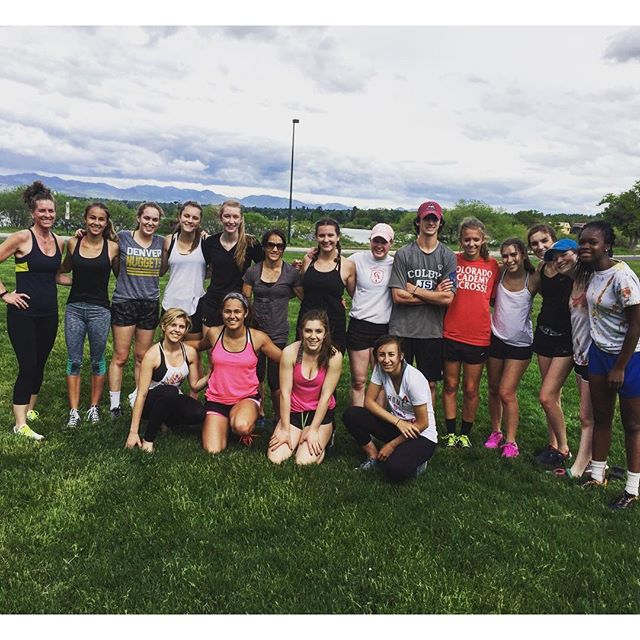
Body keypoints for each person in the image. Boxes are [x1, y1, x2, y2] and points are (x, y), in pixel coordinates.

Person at [578, 221, 640, 509]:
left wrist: (621, 366)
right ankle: (598, 474)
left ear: (607, 245)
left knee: (633, 424)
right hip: (599, 353)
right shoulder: (591, 272)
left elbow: (637, 323)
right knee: (602, 417)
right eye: (583, 242)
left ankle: (632, 488)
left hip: (629, 357)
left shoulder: (622, 277)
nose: (586, 246)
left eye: (593, 242)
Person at [0, 180, 67, 440]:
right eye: (42, 211)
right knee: (27, 364)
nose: (48, 215)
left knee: (40, 363)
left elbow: (57, 276)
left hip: (48, 313)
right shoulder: (21, 238)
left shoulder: (58, 241)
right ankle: (20, 424)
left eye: (51, 211)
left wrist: (89, 279)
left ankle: (29, 410)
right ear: (33, 213)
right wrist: (5, 294)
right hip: (23, 314)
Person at [388, 200, 456, 405]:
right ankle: (398, 425)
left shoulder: (448, 256)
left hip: (431, 331)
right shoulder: (404, 254)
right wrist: (433, 294)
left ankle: (427, 429)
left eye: (434, 219)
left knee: (430, 384)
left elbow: (447, 298)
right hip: (402, 329)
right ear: (418, 222)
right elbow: (398, 296)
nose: (430, 222)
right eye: (426, 218)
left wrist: (416, 290)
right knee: (398, 382)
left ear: (440, 223)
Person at [342, 335, 438, 481]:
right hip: (399, 427)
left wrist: (392, 445)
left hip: (422, 435)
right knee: (351, 414)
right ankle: (373, 456)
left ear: (401, 356)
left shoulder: (413, 379)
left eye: (391, 354)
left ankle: (419, 461)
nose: (386, 360)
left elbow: (423, 423)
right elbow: (369, 401)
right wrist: (398, 422)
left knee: (395, 470)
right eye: (381, 355)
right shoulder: (380, 369)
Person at [197, 292, 282, 454]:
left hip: (246, 397)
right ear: (222, 312)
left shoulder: (257, 338)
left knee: (242, 427)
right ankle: (225, 421)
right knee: (212, 449)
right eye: (227, 311)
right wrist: (174, 343)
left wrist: (310, 356)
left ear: (245, 313)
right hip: (217, 399)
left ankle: (242, 421)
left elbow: (284, 359)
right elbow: (198, 346)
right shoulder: (214, 333)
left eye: (237, 311)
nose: (232, 316)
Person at [59, 203, 119, 428]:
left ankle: (93, 407)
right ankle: (74, 410)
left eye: (101, 219)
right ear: (85, 219)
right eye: (92, 218)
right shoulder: (73, 243)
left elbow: (122, 276)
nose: (96, 222)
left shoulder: (112, 248)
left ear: (106, 223)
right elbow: (63, 269)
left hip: (100, 310)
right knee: (74, 360)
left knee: (97, 359)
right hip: (74, 308)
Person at [441, 217, 500, 447]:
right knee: (450, 385)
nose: (471, 244)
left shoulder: (492, 265)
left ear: (483, 239)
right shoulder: (451, 261)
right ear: (460, 240)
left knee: (471, 388)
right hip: (451, 332)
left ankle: (465, 433)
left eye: (476, 239)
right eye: (467, 239)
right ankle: (451, 432)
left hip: (478, 336)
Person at [108, 202, 165, 418]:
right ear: (139, 218)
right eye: (146, 218)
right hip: (125, 301)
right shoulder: (123, 237)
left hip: (149, 303)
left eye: (155, 219)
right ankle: (115, 405)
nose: (150, 223)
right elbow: (109, 255)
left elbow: (164, 268)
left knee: (142, 356)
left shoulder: (161, 242)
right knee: (121, 356)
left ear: (159, 222)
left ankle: (139, 399)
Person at [485, 238, 539, 458]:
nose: (509, 260)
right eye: (505, 255)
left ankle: (511, 441)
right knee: (493, 388)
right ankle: (496, 432)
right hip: (496, 338)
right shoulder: (499, 273)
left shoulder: (533, 279)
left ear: (523, 255)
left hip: (520, 343)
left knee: (507, 392)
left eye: (514, 254)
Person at [125, 308, 207, 453]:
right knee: (169, 391)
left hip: (172, 397)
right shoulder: (152, 355)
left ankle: (165, 420)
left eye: (181, 327)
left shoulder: (190, 352)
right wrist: (133, 432)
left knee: (198, 413)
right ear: (164, 326)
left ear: (186, 330)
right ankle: (148, 439)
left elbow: (194, 386)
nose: (177, 330)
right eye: (173, 325)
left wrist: (212, 374)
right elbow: (142, 394)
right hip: (148, 402)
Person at [544, 239, 593, 479]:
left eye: (563, 254)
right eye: (555, 257)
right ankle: (591, 463)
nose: (559, 260)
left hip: (598, 355)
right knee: (587, 415)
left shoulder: (593, 279)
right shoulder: (573, 283)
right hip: (579, 353)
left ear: (577, 253)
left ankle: (581, 463)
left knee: (590, 415)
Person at [268, 310, 342, 465]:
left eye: (318, 331)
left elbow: (325, 396)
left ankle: (325, 437)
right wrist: (284, 429)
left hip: (318, 414)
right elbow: (285, 393)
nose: (313, 336)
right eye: (308, 330)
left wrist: (314, 430)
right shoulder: (290, 352)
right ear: (301, 332)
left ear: (325, 333)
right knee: (275, 458)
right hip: (294, 411)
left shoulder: (334, 356)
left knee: (303, 461)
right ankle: (298, 436)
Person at [242, 228, 303, 420]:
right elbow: (244, 301)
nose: (275, 249)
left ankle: (279, 414)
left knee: (276, 377)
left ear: (284, 248)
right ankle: (259, 411)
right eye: (271, 245)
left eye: (279, 245)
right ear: (264, 247)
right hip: (256, 332)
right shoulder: (253, 271)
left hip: (278, 332)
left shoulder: (290, 273)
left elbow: (305, 297)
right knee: (256, 373)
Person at [528, 224, 575, 468]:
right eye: (534, 243)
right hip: (544, 334)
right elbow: (530, 290)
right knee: (552, 394)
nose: (540, 246)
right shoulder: (542, 267)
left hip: (566, 339)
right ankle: (552, 444)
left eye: (544, 240)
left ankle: (564, 449)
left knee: (546, 397)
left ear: (554, 240)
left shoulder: (569, 267)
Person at [162, 201, 209, 398]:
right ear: (180, 216)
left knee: (193, 354)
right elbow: (162, 270)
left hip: (195, 303)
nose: (190, 220)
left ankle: (192, 398)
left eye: (195, 217)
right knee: (169, 351)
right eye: (186, 216)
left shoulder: (205, 242)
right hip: (170, 303)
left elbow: (211, 270)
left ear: (199, 221)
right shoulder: (168, 240)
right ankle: (167, 394)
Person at [346, 222, 395, 407]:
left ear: (391, 243)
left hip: (384, 327)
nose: (379, 246)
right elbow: (333, 265)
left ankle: (377, 422)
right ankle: (358, 425)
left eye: (384, 242)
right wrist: (311, 256)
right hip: (359, 324)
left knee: (381, 381)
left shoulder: (395, 263)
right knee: (359, 381)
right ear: (370, 241)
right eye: (376, 241)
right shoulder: (357, 259)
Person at [200, 200, 263, 328]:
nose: (231, 221)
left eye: (235, 217)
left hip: (237, 305)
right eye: (227, 216)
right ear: (220, 218)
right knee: (212, 346)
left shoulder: (250, 244)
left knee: (235, 347)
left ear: (241, 219)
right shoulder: (210, 242)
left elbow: (266, 266)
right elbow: (204, 269)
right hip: (213, 303)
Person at [297, 217, 356, 354]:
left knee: (331, 366)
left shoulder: (347, 266)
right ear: (316, 237)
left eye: (330, 235)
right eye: (321, 235)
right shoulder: (308, 260)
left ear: (338, 237)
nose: (326, 239)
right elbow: (301, 287)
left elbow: (355, 295)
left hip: (334, 324)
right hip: (307, 322)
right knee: (304, 365)